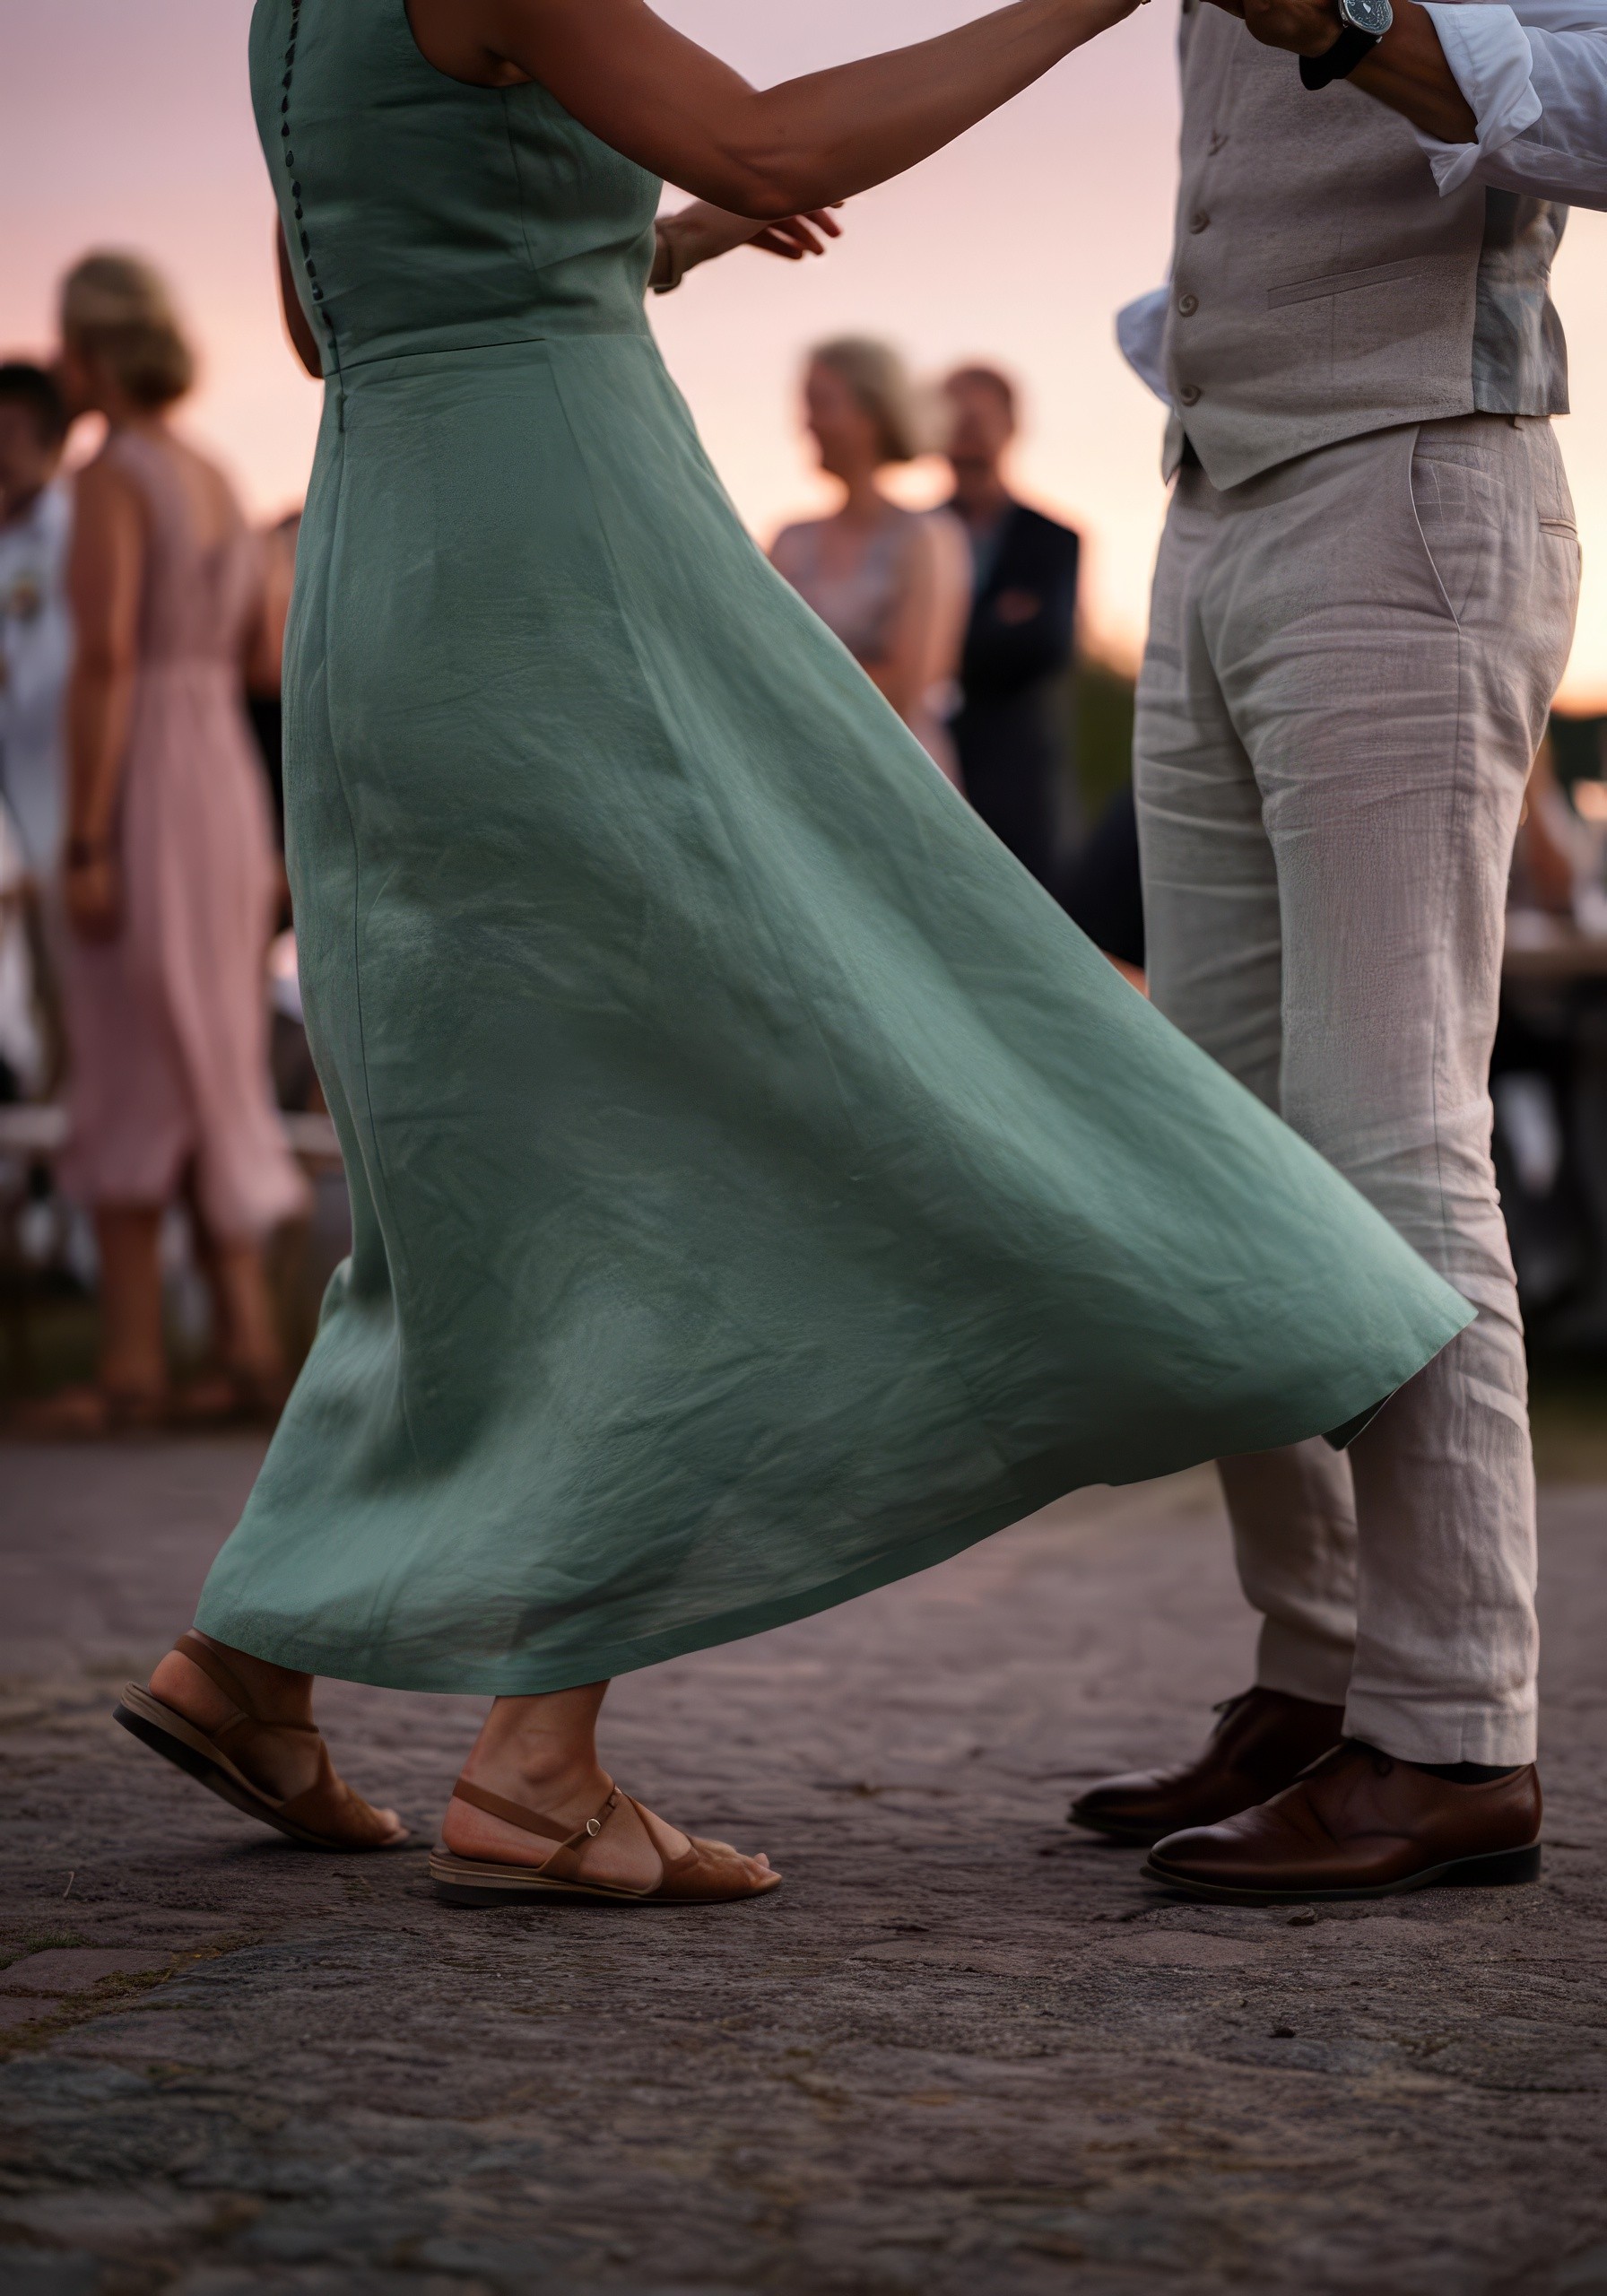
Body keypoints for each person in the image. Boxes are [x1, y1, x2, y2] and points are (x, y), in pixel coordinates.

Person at [116, 0, 1472, 1911]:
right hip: (569, 556)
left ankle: (250, 1657)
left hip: (389, 556)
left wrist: (631, 247)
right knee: (706, 1095)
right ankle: (536, 1754)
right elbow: (764, 142)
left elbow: (335, 312)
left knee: (484, 1140)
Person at [1073, 0, 1580, 1900]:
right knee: (1216, 1147)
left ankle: (1450, 1727)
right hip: (1213, 506)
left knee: (1386, 1134)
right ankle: (1314, 1667)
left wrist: (1348, 18)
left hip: (1413, 486)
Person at [37, 254, 308, 1435]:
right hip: (225, 785)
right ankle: (248, 1352)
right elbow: (263, 657)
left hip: (145, 773)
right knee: (214, 1054)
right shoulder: (215, 473)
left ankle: (135, 1368)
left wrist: (86, 837)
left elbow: (102, 660)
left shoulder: (113, 478)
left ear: (94, 351)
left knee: (130, 1057)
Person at [771, 339, 970, 783]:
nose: (807, 423)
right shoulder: (790, 540)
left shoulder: (927, 539)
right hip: (797, 773)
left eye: (821, 404)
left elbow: (906, 691)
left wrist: (791, 682)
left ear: (871, 416)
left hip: (896, 776)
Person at [942, 364, 1081, 890]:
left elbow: (1047, 647)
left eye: (978, 417)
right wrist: (994, 627)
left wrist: (935, 642)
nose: (965, 429)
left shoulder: (1052, 539)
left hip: (1019, 780)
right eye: (953, 417)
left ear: (1010, 426)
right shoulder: (914, 536)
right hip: (925, 764)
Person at [0, 362, 73, 1091]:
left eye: (14, 431)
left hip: (60, 813)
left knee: (67, 1009)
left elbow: (66, 668)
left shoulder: (72, 532)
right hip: (8, 826)